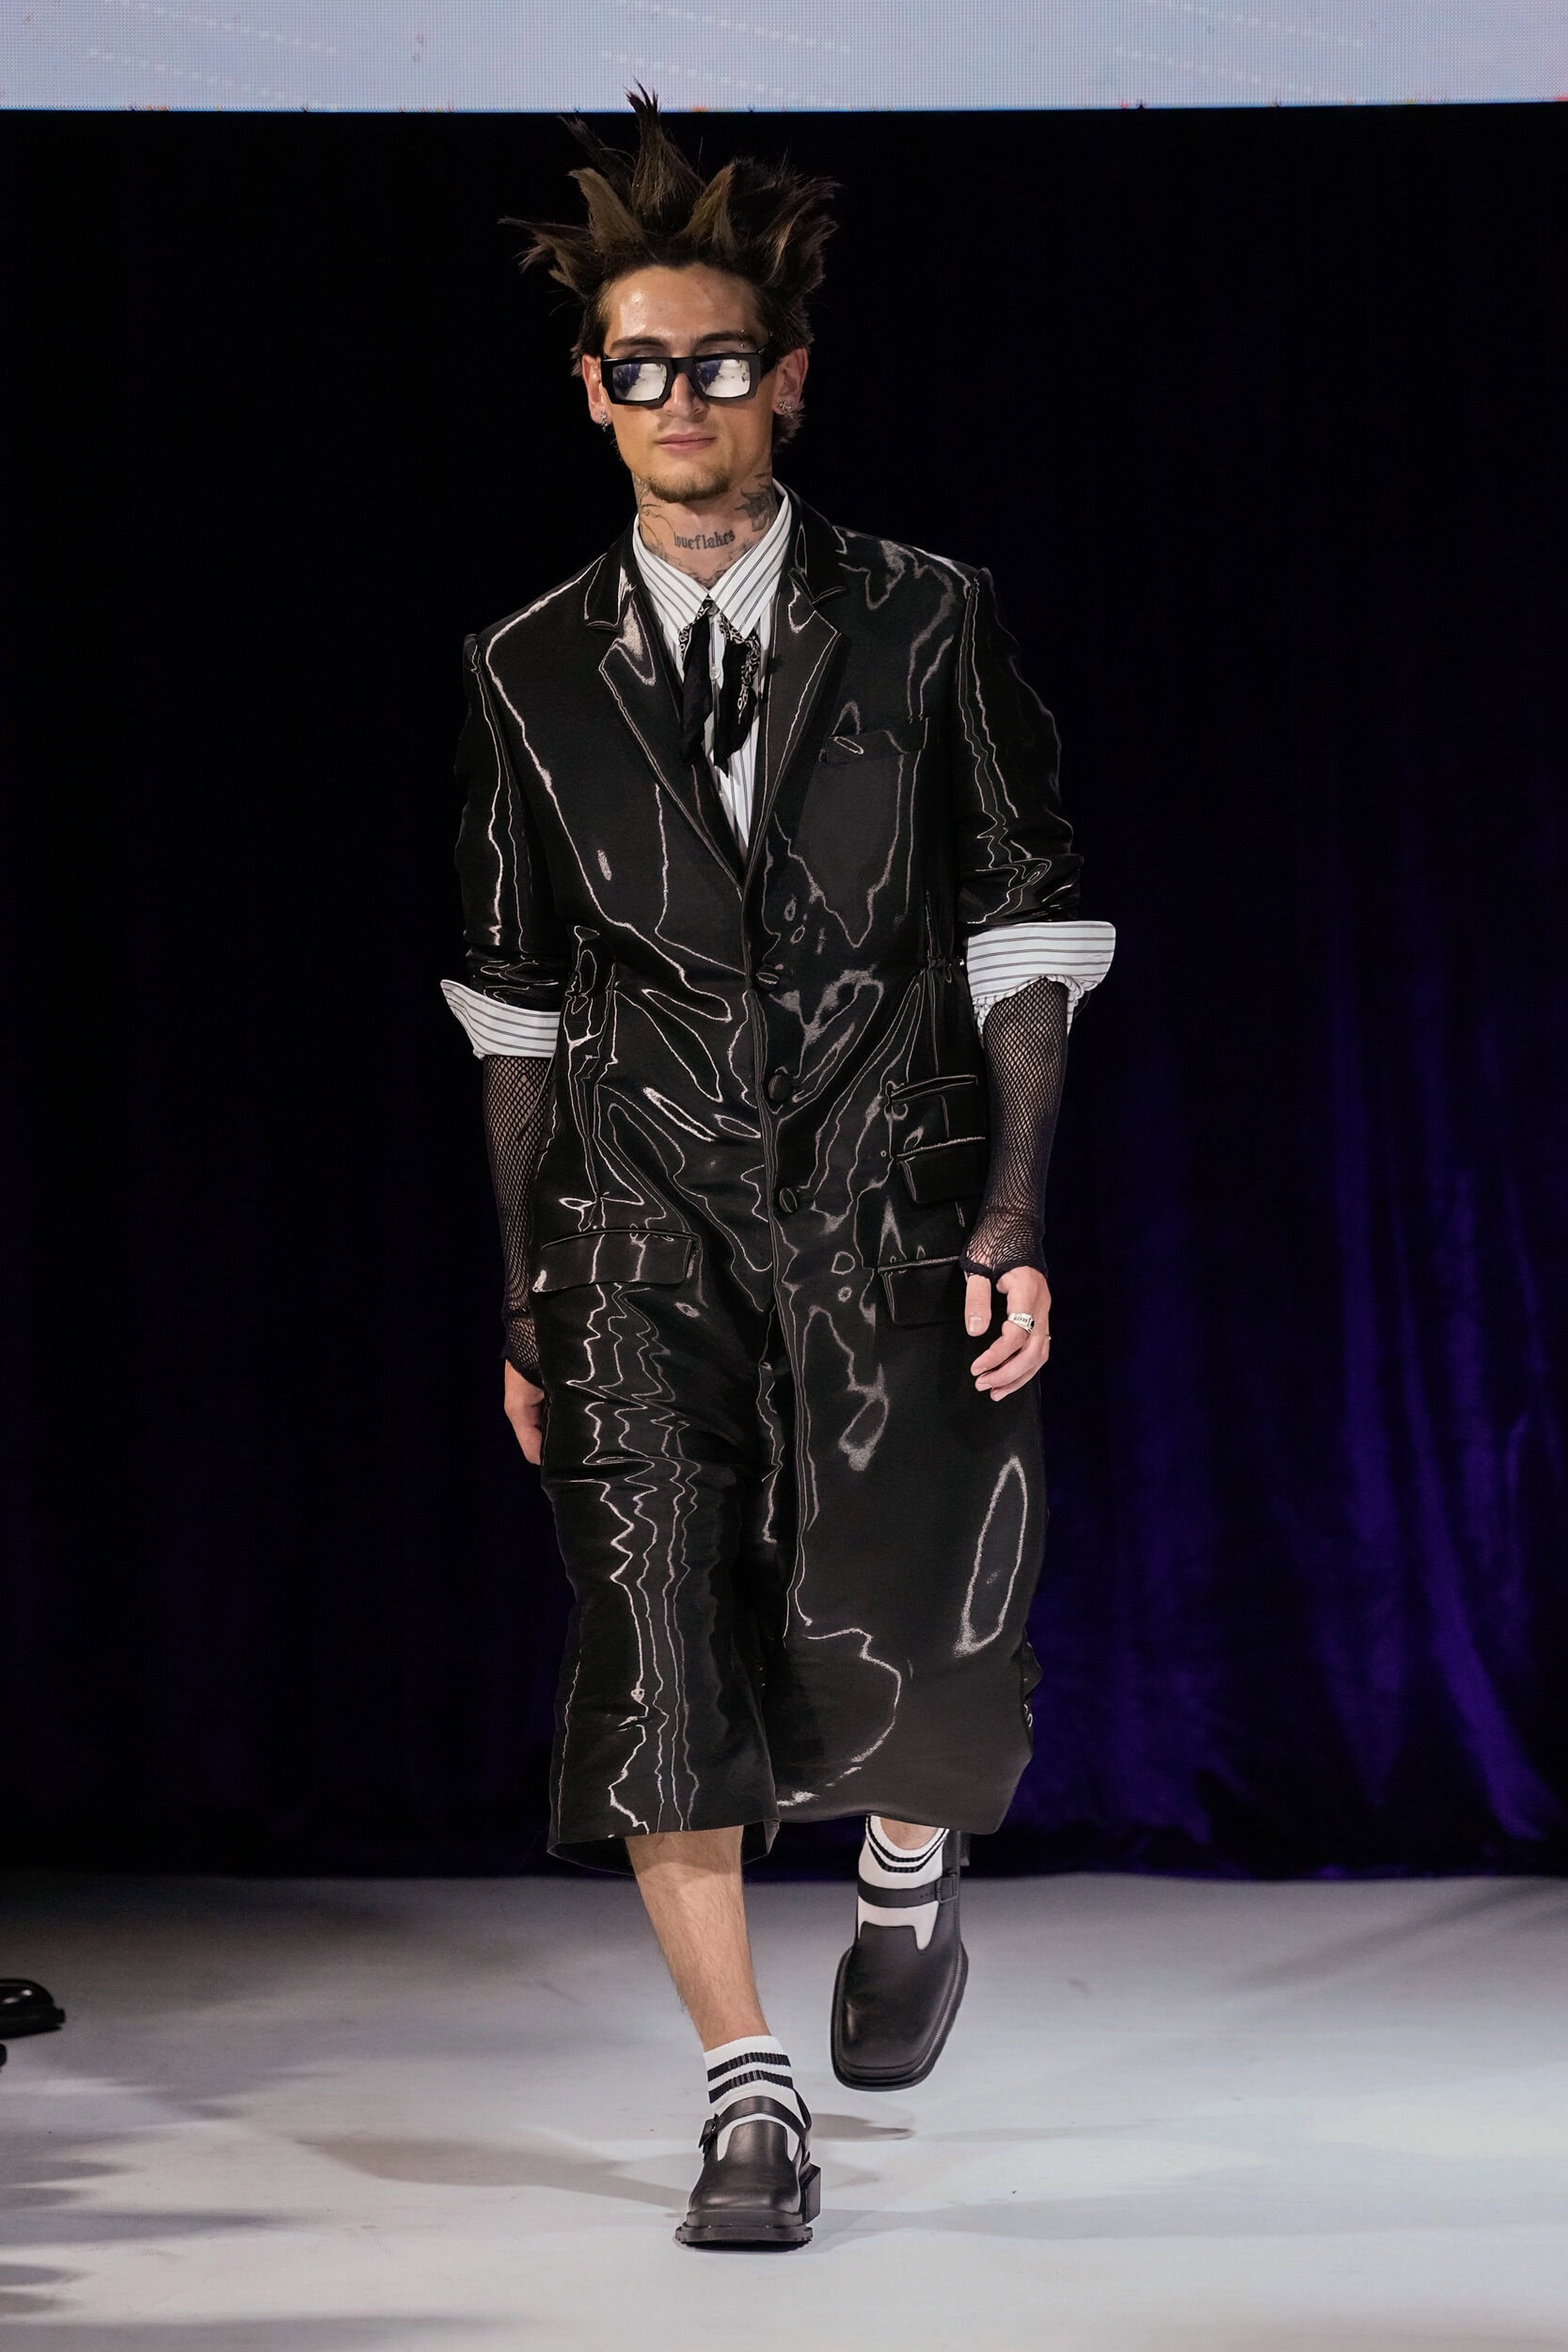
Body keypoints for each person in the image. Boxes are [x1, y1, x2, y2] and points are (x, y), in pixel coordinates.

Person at [442, 93, 1114, 2249]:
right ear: (591, 390)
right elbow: (516, 1006)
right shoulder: (527, 667)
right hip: (633, 1221)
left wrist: (1013, 1205)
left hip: (887, 1192)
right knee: (654, 1639)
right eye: (638, 366)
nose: (679, 398)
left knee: (921, 1632)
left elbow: (1026, 923)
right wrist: (528, 1289)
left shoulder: (924, 618)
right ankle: (747, 2090)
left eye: (716, 361)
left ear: (786, 379)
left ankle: (908, 1863)